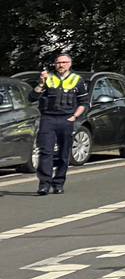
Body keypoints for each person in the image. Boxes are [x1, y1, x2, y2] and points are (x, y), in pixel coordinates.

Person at [33, 50, 83, 195]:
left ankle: (59, 183)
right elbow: (32, 97)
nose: (61, 65)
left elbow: (84, 102)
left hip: (66, 119)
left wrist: (74, 116)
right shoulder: (48, 78)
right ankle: (44, 184)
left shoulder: (77, 80)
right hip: (48, 119)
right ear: (55, 64)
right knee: (45, 152)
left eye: (64, 62)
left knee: (64, 152)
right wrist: (41, 83)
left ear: (70, 64)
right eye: (58, 63)